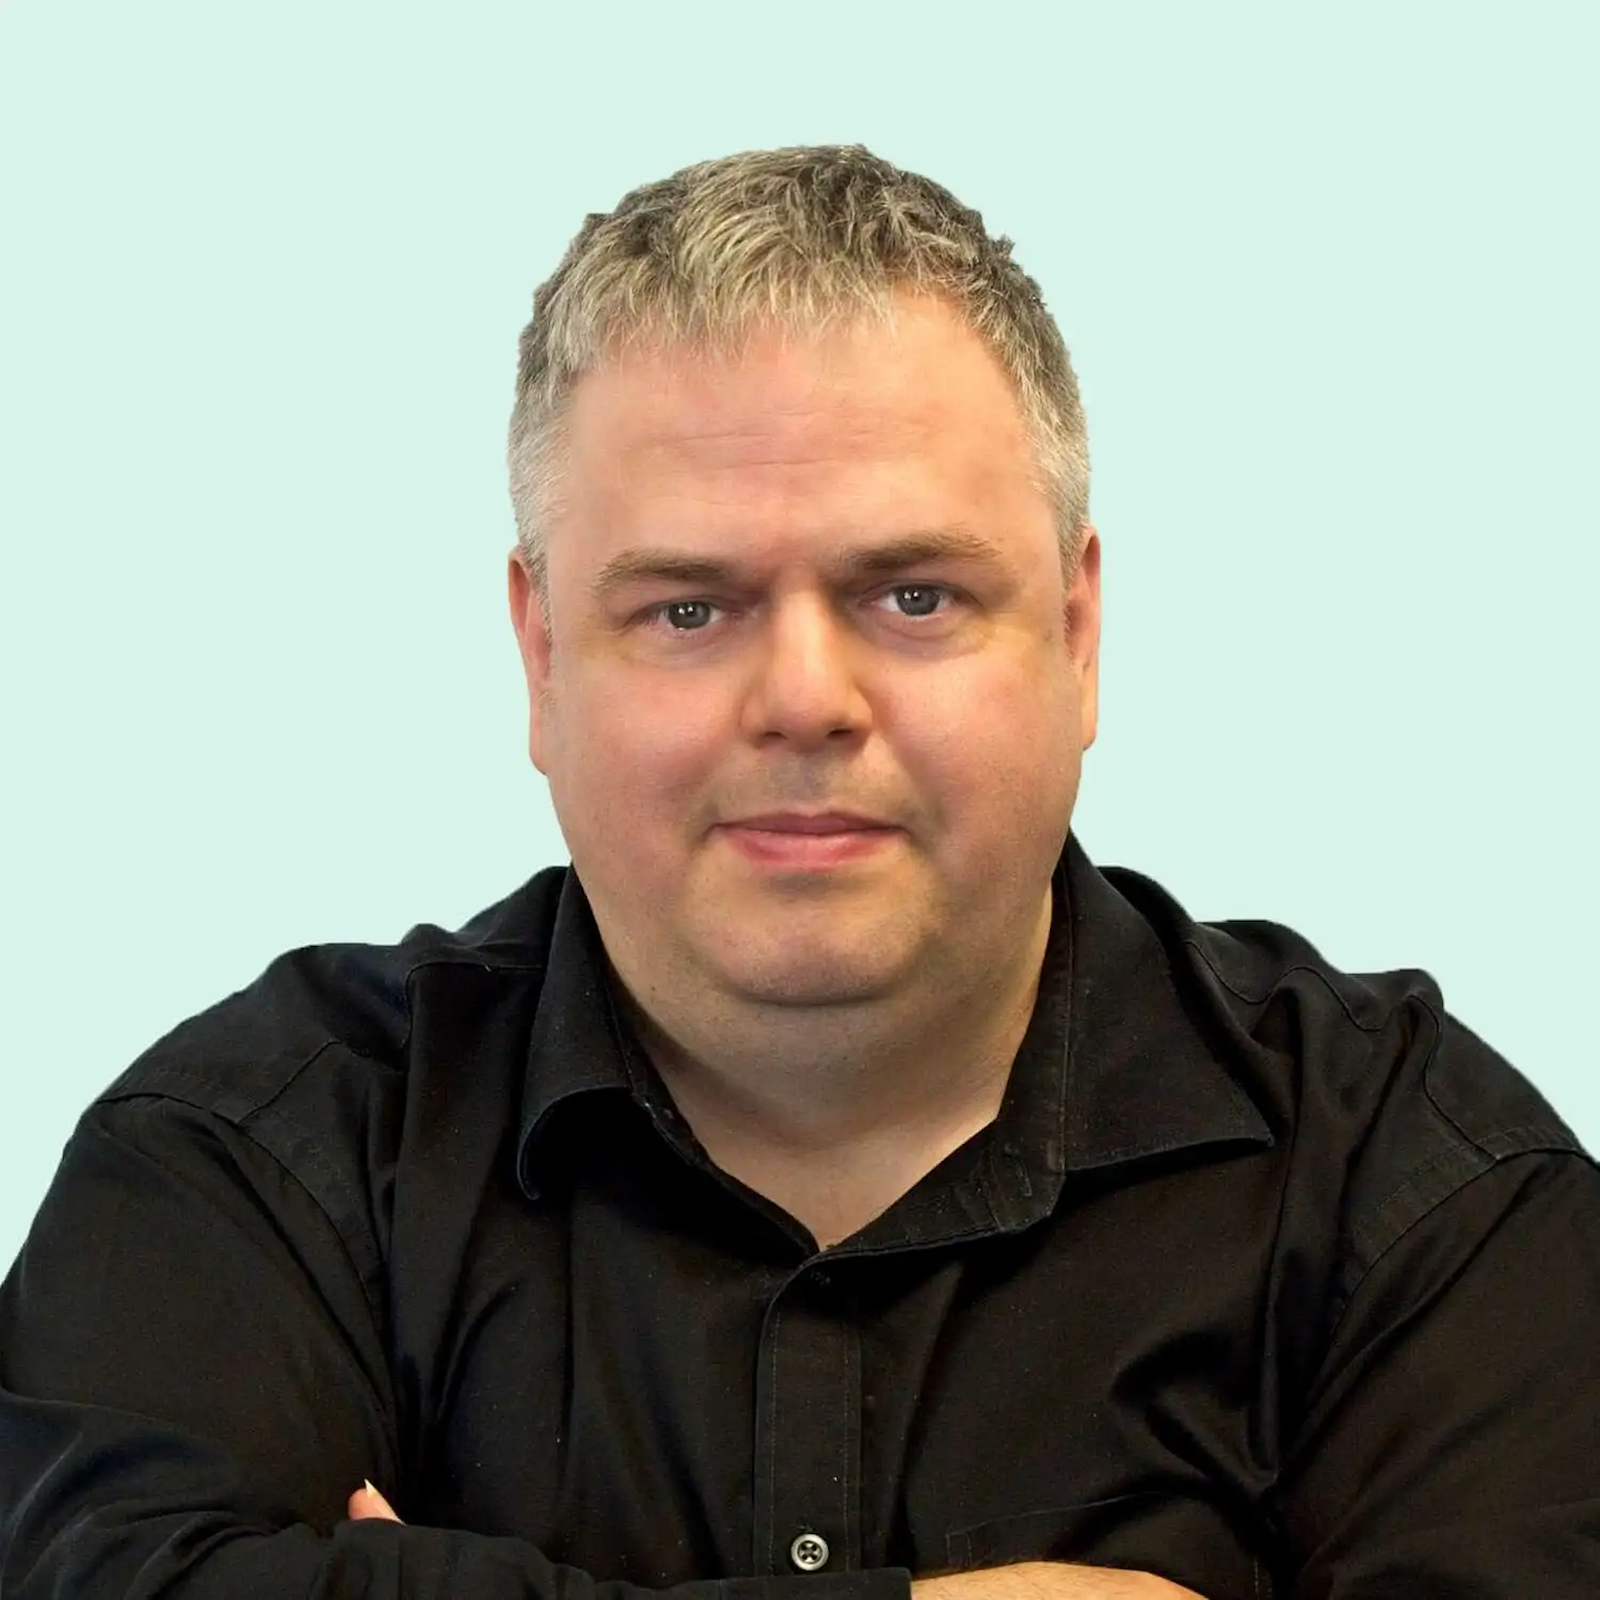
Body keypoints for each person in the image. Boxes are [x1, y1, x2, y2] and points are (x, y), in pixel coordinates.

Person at [1, 143, 1595, 1600]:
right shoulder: (254, 1161)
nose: (807, 700)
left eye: (913, 595)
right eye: (689, 609)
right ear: (542, 656)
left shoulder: (1423, 1200)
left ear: (1077, 632)